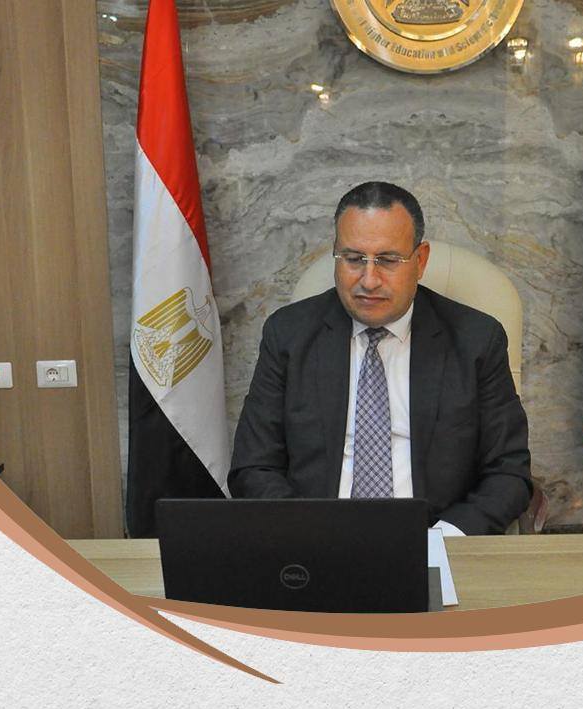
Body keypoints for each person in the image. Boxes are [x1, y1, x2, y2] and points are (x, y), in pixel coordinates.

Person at [228, 182, 532, 535]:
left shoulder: (476, 340)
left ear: (420, 261)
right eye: (354, 259)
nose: (369, 281)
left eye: (388, 260)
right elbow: (254, 467)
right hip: (315, 540)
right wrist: (307, 531)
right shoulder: (289, 335)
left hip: (434, 540)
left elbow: (508, 473)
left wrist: (444, 539)